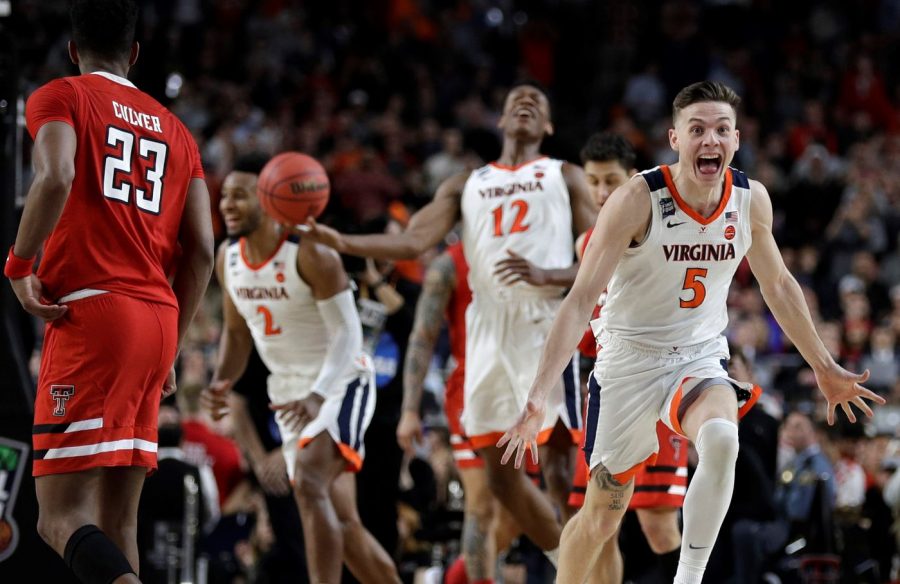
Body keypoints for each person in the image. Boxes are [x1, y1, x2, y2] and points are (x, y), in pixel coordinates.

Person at [497, 81, 884, 584]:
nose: (710, 140)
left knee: (723, 437)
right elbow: (577, 302)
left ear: (737, 140)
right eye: (697, 129)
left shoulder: (749, 200)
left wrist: (824, 367)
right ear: (675, 139)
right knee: (601, 517)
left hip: (696, 357)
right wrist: (537, 395)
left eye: (722, 130)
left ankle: (689, 579)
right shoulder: (637, 198)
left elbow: (780, 286)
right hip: (627, 360)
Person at [306, 81, 596, 561]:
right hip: (484, 328)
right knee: (498, 474)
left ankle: (578, 570)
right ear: (500, 121)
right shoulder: (468, 183)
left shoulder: (565, 175)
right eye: (514, 100)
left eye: (537, 102)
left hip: (542, 322)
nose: (525, 102)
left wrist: (551, 272)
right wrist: (341, 241)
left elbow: (602, 256)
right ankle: (569, 562)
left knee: (559, 467)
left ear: (548, 126)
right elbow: (412, 242)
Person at [4, 1, 214, 582]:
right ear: (136, 54)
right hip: (159, 319)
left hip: (96, 311)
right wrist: (172, 345)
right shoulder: (177, 130)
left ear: (72, 50)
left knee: (57, 517)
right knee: (118, 522)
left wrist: (19, 266)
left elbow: (56, 175)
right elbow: (202, 251)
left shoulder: (61, 95)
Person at [200, 155, 399, 584]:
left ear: (271, 198)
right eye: (225, 196)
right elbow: (237, 335)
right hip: (289, 387)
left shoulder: (312, 253)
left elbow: (349, 335)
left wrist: (318, 394)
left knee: (308, 482)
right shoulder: (228, 258)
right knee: (345, 526)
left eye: (240, 195)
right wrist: (222, 380)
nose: (228, 204)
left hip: (342, 380)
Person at [568, 133, 685, 583]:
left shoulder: (662, 225)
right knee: (600, 524)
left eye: (610, 181)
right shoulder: (585, 244)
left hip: (660, 381)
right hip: (608, 387)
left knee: (658, 526)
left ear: (631, 179)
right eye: (593, 182)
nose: (600, 192)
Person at [397, 242, 526, 583]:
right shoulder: (450, 263)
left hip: (530, 386)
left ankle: (456, 577)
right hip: (475, 391)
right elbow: (422, 337)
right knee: (481, 506)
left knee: (524, 509)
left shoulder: (534, 242)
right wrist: (411, 410)